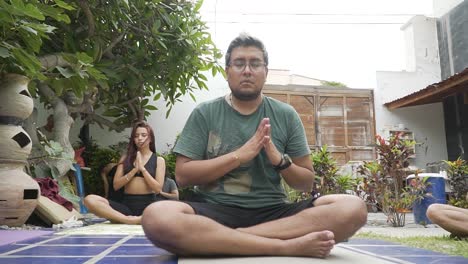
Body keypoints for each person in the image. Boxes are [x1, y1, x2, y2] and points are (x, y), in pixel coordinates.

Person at [141, 33, 367, 257]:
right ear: (227, 71)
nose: (247, 70)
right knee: (156, 216)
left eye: (255, 63)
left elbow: (305, 183)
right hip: (215, 210)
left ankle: (228, 239)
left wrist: (279, 161)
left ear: (265, 72)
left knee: (353, 208)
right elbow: (183, 176)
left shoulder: (285, 115)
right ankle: (284, 247)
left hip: (275, 214)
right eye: (239, 63)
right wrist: (239, 156)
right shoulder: (205, 113)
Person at [84, 121, 166, 224]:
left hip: (149, 205)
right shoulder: (125, 158)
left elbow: (158, 189)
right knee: (89, 199)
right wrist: (134, 170)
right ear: (133, 140)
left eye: (143, 135)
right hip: (126, 206)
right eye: (136, 136)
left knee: (171, 209)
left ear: (150, 138)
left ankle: (139, 218)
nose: (140, 138)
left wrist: (142, 169)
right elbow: (116, 185)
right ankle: (128, 220)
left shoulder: (159, 160)